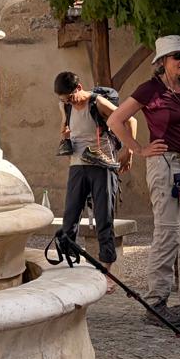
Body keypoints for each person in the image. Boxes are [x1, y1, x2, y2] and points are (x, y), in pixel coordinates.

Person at [110, 35, 180, 324]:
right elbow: (115, 120)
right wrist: (138, 149)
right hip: (165, 165)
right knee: (168, 233)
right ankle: (156, 302)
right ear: (162, 62)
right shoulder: (150, 89)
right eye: (178, 56)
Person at [53, 71, 125, 276]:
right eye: (63, 99)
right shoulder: (65, 105)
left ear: (79, 88)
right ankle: (70, 265)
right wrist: (65, 133)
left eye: (70, 97)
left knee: (104, 218)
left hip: (102, 164)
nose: (68, 102)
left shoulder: (97, 102)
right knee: (70, 217)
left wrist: (129, 152)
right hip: (77, 163)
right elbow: (64, 128)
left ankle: (107, 272)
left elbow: (128, 120)